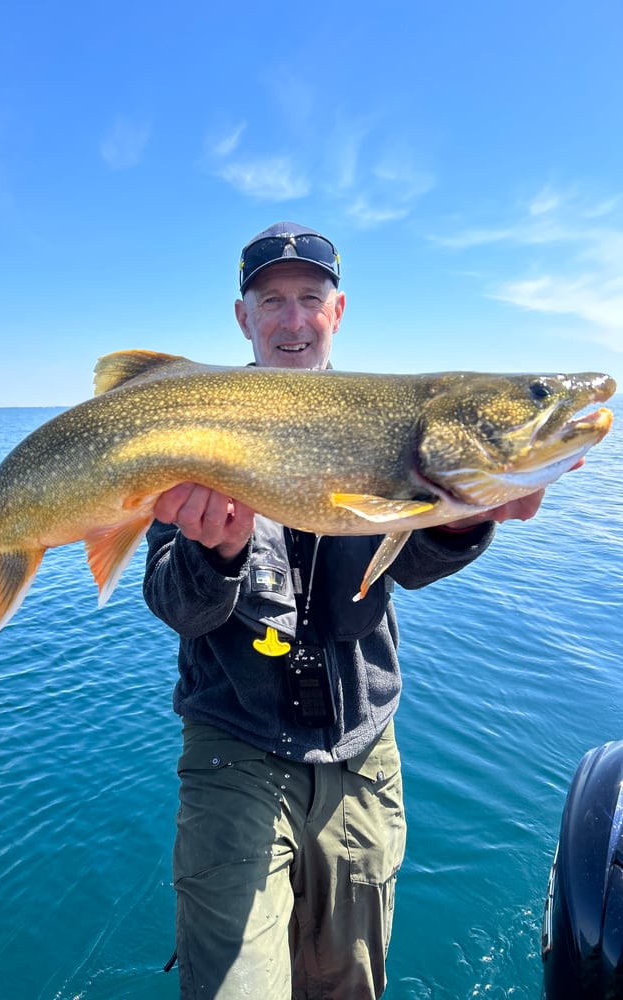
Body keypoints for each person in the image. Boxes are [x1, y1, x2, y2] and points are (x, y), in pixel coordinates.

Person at [142, 222, 545, 999]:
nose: (293, 321)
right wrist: (214, 555)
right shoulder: (193, 422)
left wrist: (464, 516)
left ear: (339, 309)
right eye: (273, 302)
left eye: (310, 300)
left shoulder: (392, 421)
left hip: (363, 751)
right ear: (243, 318)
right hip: (234, 748)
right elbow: (175, 604)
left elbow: (414, 565)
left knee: (350, 986)